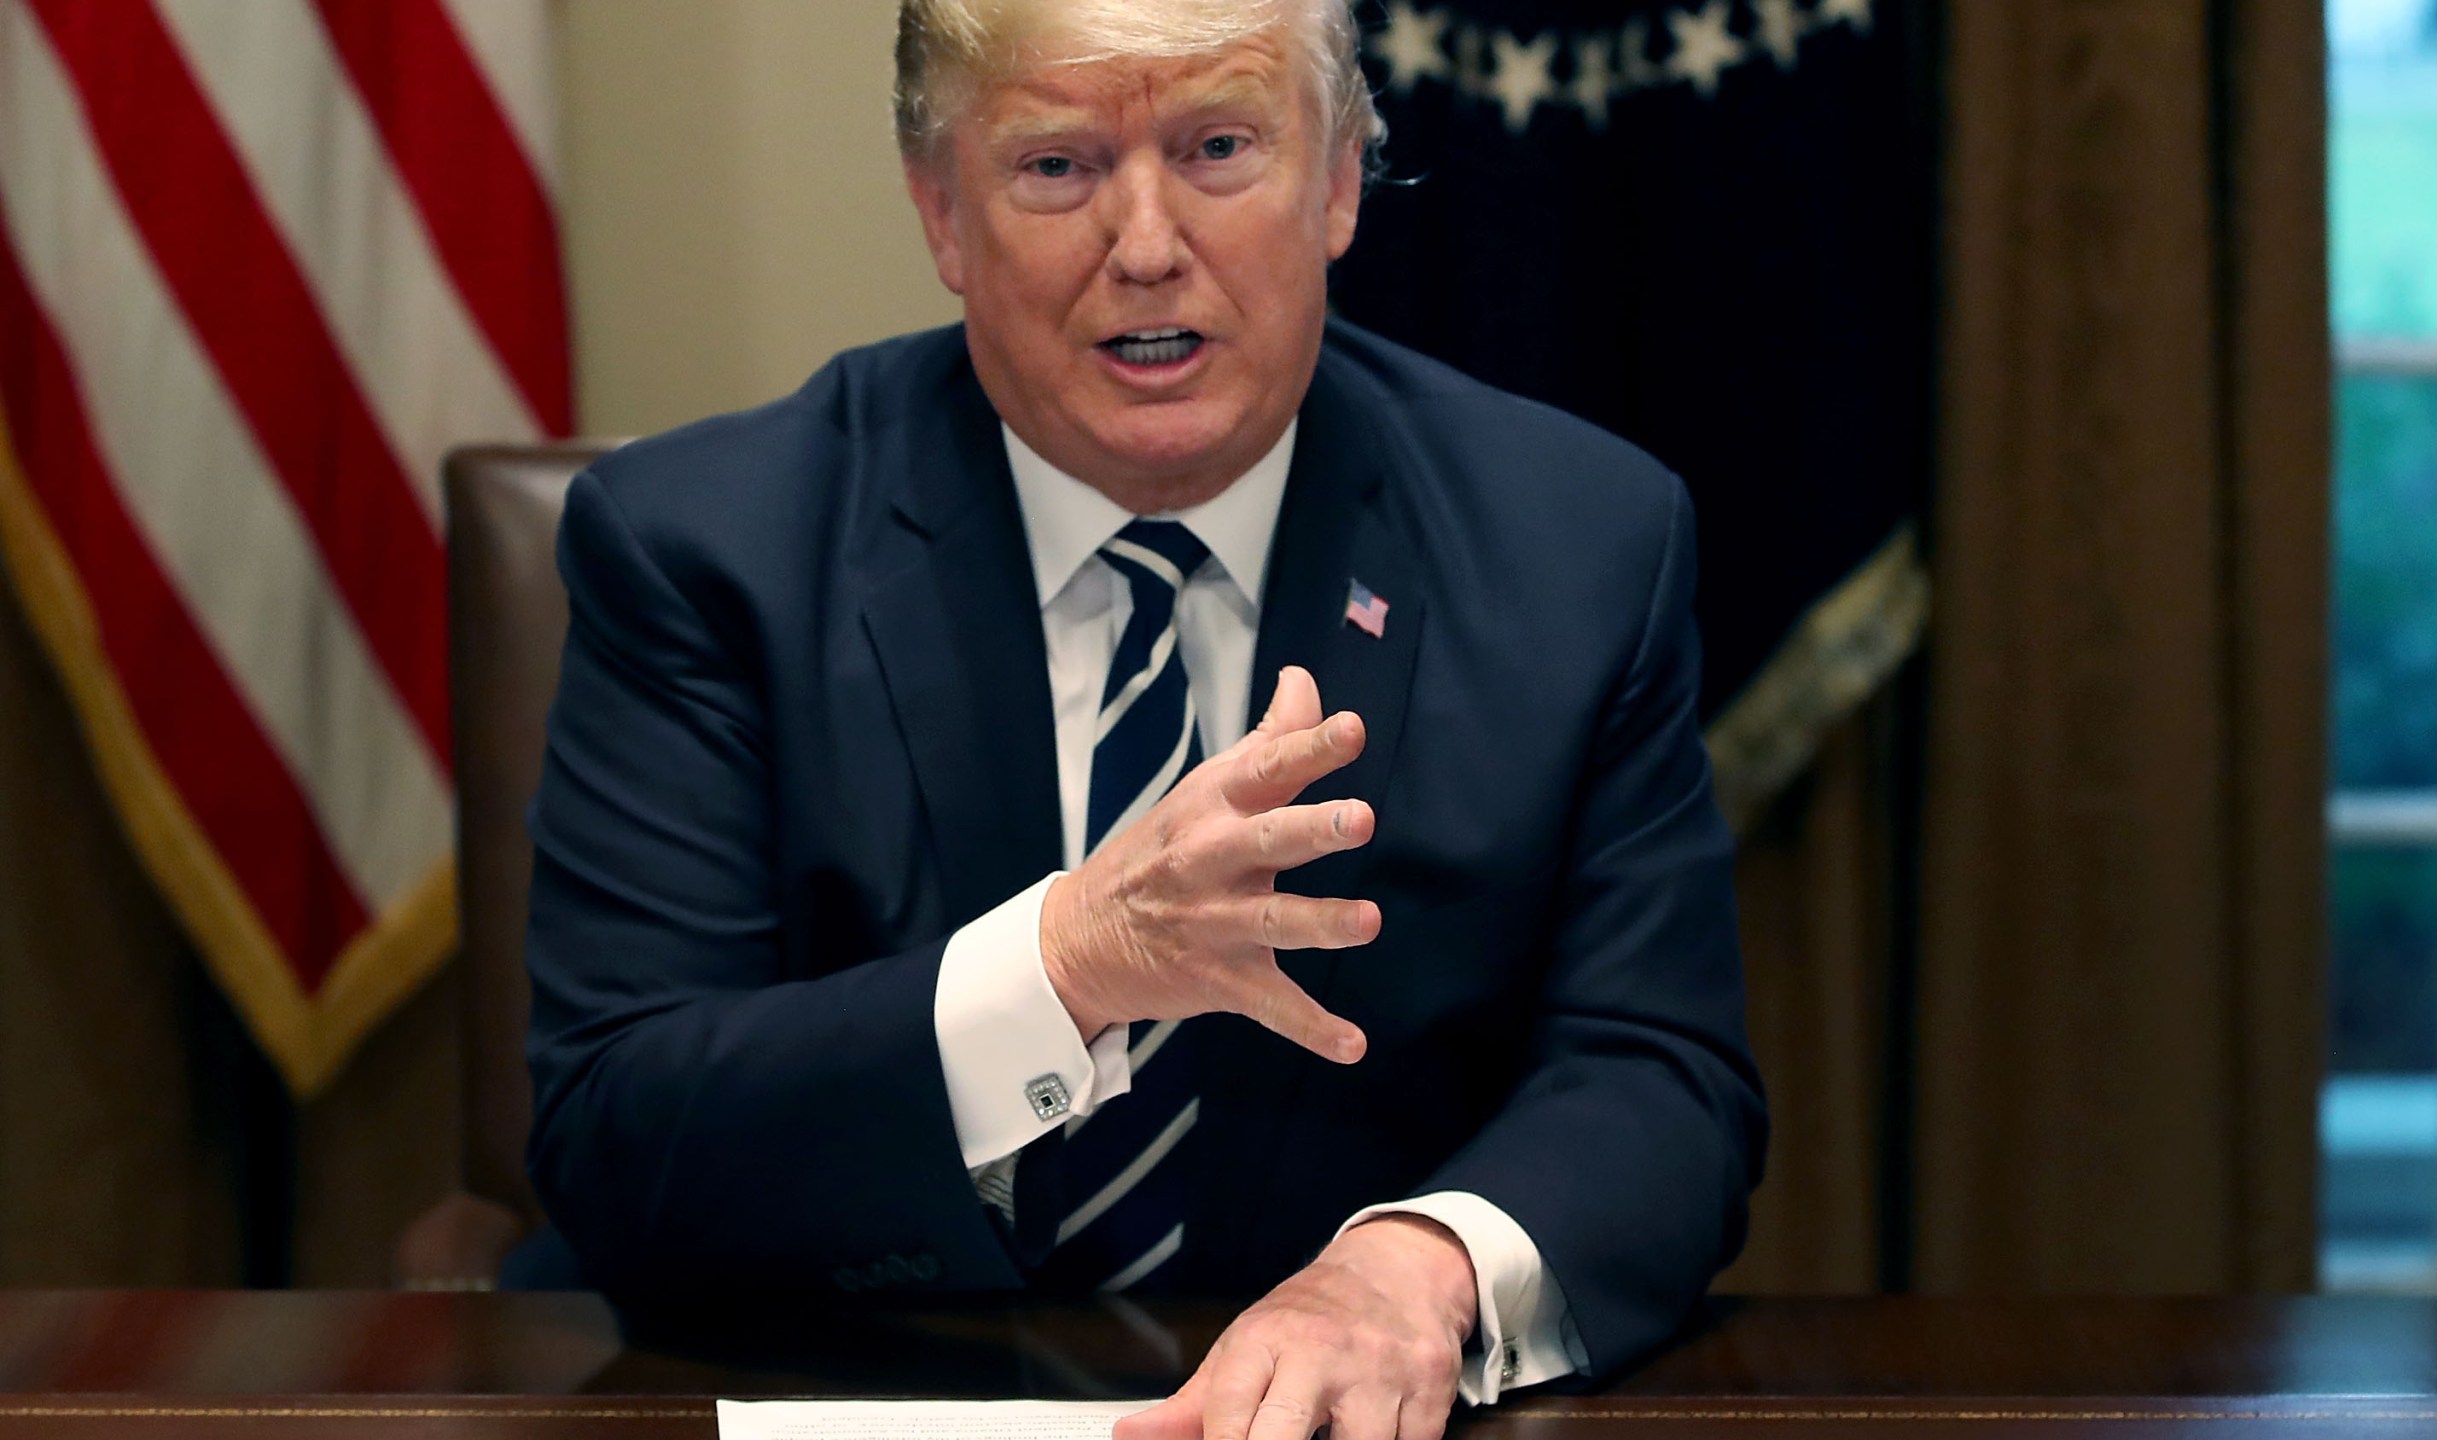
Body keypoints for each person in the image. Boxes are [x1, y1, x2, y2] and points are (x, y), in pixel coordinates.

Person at [520, 1, 1766, 1436]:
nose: (1149, 244)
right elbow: (619, 1134)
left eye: (1221, 147)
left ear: (1342, 182)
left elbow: (1662, 1080)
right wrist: (1064, 966)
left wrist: (1418, 1272)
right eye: (1057, 167)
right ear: (941, 211)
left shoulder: (1579, 544)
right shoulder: (705, 552)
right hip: (837, 1383)